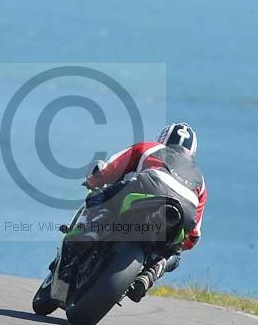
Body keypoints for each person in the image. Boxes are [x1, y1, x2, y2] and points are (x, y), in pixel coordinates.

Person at [82, 122, 207, 302]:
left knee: (104, 196)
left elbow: (111, 170)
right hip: (185, 209)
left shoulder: (150, 147)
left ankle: (90, 232)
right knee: (175, 252)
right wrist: (174, 246)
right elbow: (193, 235)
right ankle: (150, 273)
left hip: (152, 185)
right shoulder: (200, 180)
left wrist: (93, 183)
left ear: (162, 138)